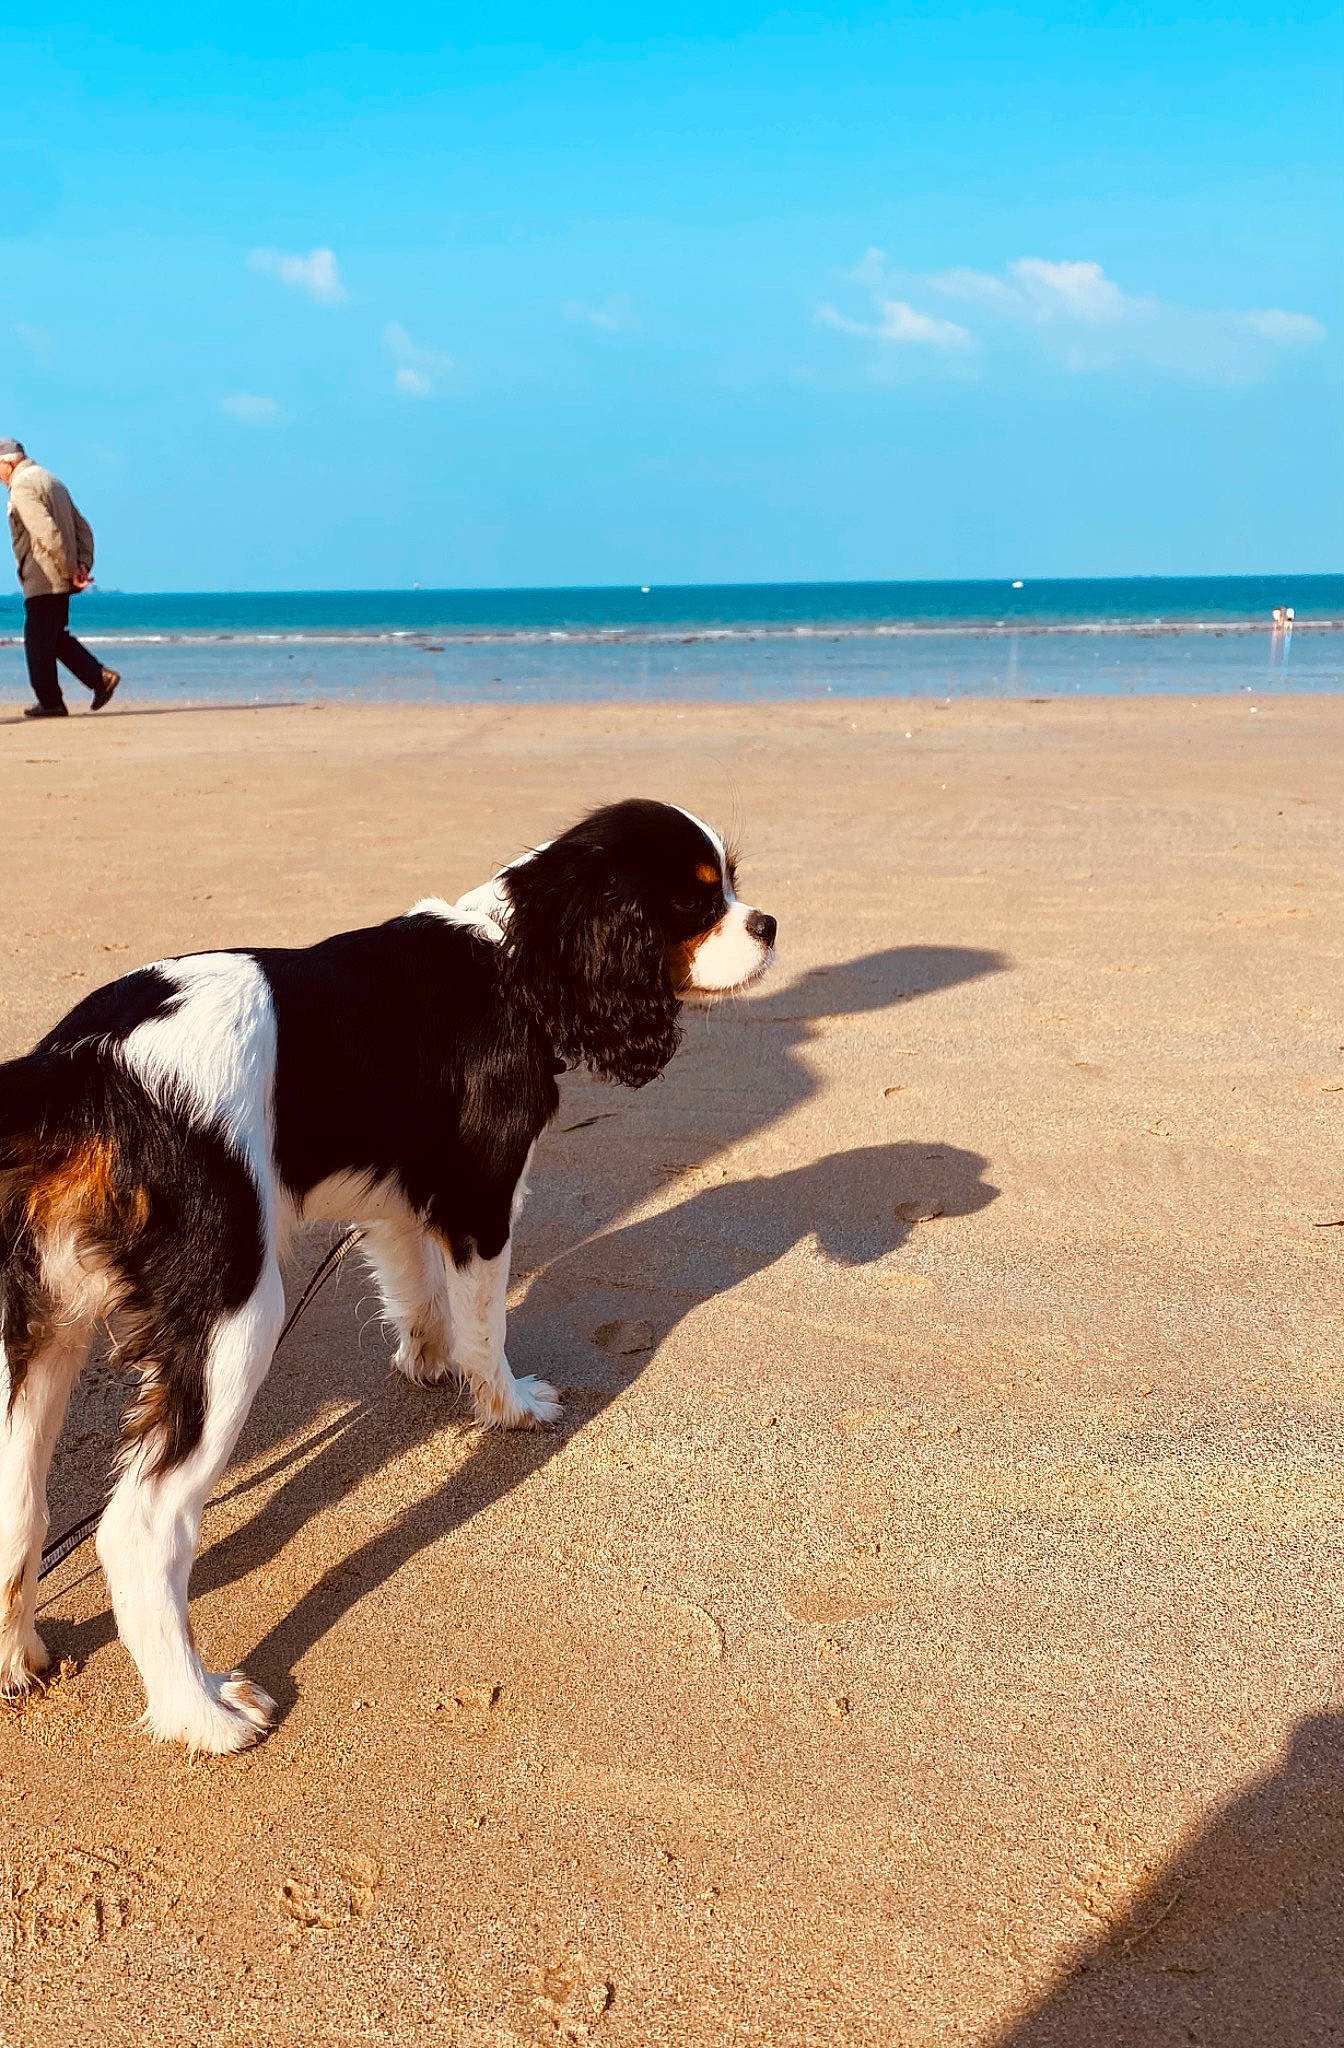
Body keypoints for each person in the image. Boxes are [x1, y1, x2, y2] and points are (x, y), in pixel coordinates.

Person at [0, 437, 120, 720]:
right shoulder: (52, 480)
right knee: (53, 638)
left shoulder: (23, 486)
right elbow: (83, 529)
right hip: (60, 572)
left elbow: (46, 532)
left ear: (8, 462)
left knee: (38, 640)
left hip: (43, 574)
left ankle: (51, 702)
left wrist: (69, 570)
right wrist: (82, 565)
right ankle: (98, 678)